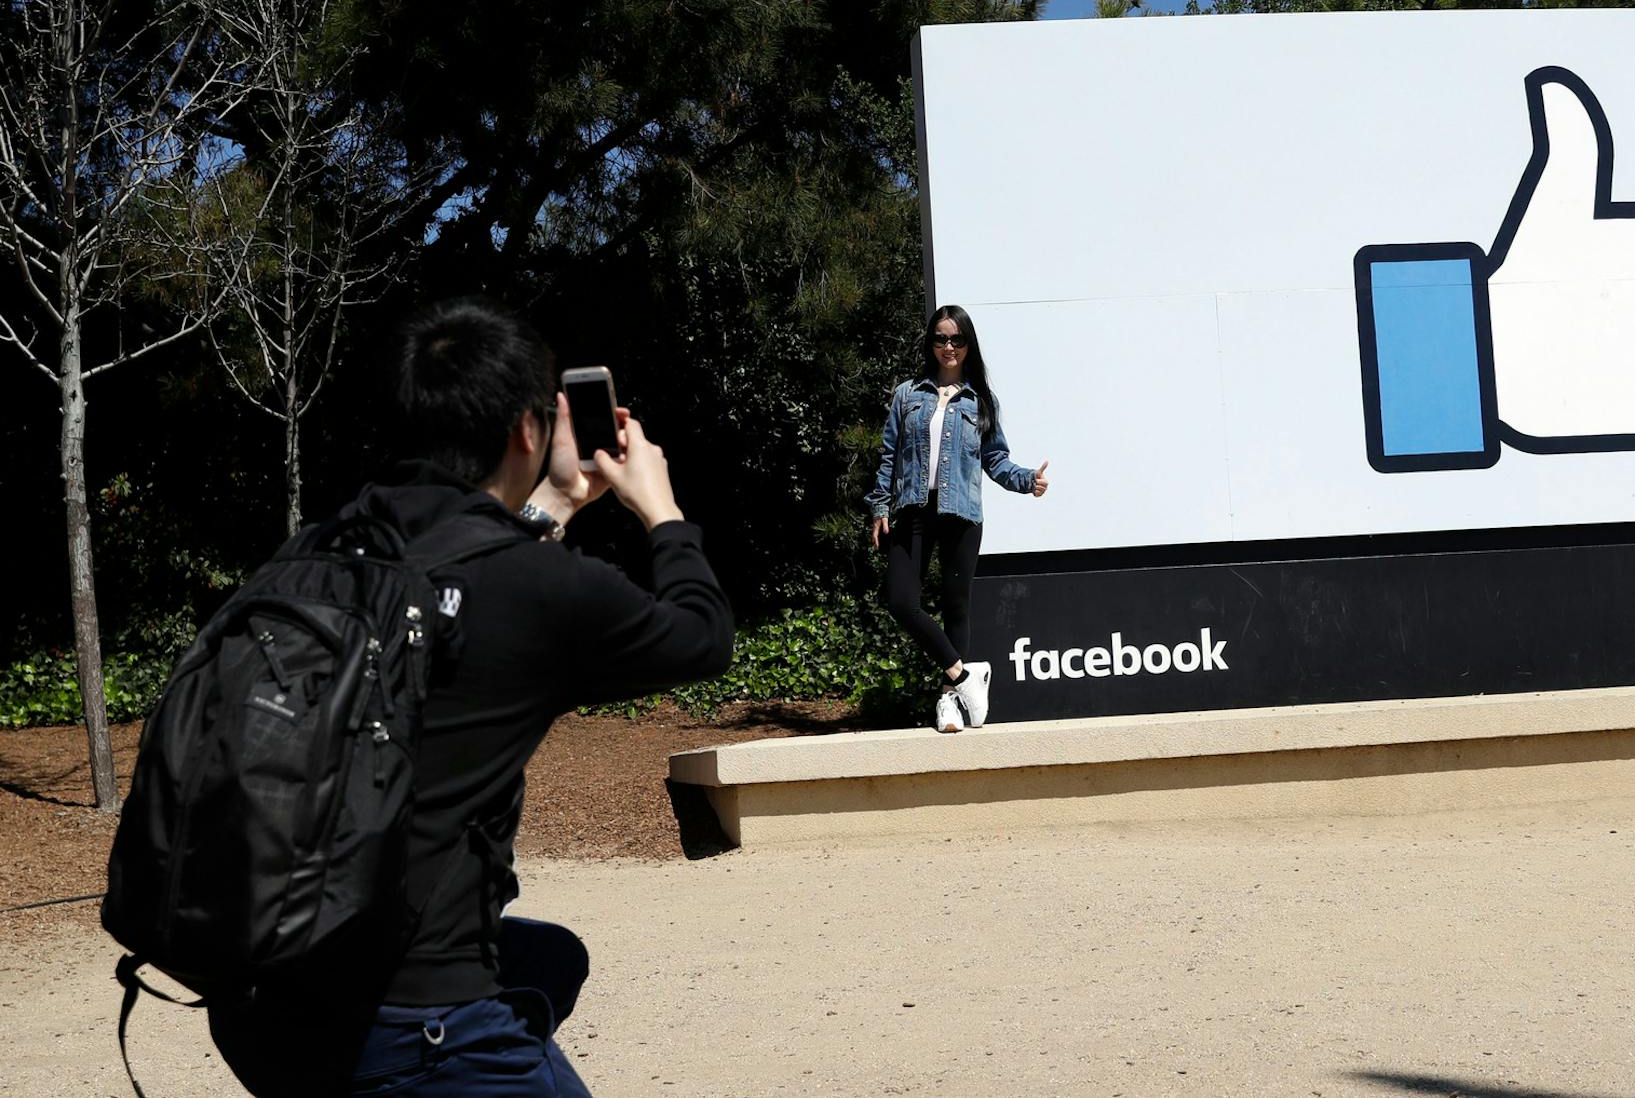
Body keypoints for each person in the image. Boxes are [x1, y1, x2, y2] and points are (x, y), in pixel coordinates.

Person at [206, 296, 735, 1097]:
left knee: (548, 960)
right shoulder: (534, 587)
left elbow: (466, 569)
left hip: (260, 1001)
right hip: (412, 1018)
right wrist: (658, 507)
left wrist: (559, 502)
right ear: (527, 430)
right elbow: (702, 636)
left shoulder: (314, 555)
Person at [866, 304, 1048, 733]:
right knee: (900, 601)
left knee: (956, 607)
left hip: (961, 512)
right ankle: (965, 677)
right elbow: (889, 455)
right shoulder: (907, 394)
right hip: (912, 508)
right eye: (941, 338)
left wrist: (1027, 480)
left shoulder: (980, 400)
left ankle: (950, 702)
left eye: (957, 339)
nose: (949, 347)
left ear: (968, 344)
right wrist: (879, 507)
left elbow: (995, 459)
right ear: (931, 343)